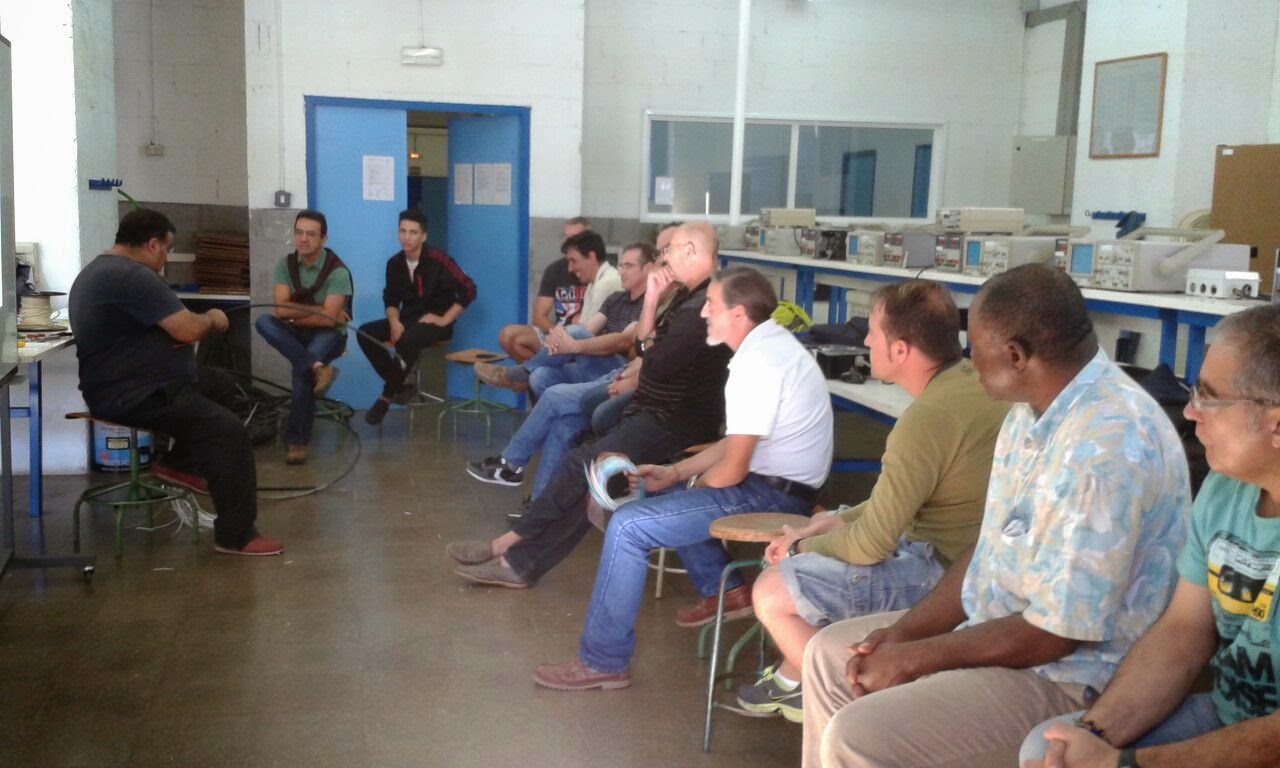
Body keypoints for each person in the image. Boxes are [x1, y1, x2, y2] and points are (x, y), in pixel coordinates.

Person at [801, 264, 1190, 768]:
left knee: (858, 736)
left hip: (1072, 677)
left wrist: (916, 657)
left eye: (976, 348)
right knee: (830, 657)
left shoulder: (1106, 446)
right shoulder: (1030, 413)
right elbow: (990, 549)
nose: (969, 359)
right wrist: (906, 633)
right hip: (1003, 631)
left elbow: (1057, 632)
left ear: (1015, 356)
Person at [530, 266, 834, 690]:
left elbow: (732, 469)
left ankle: (602, 661)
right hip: (777, 485)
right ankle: (723, 590)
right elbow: (734, 444)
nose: (703, 313)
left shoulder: (757, 363)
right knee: (666, 491)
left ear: (739, 314)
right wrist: (675, 473)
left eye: (711, 305)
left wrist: (688, 489)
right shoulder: (770, 347)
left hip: (772, 495)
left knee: (628, 526)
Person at [734, 280, 1009, 721]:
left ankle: (834, 699)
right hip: (973, 560)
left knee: (771, 590)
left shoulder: (924, 421)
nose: (864, 341)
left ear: (900, 350)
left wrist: (800, 546)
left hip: (941, 575)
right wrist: (830, 524)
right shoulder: (970, 384)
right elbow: (897, 501)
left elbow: (870, 546)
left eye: (873, 333)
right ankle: (793, 678)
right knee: (830, 526)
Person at [1019, 304, 1280, 768]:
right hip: (1229, 715)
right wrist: (1094, 735)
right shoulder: (1226, 488)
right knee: (1050, 749)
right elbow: (1184, 632)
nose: (1190, 412)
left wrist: (1124, 764)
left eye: (1209, 398)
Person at [445, 222, 732, 588]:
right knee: (589, 475)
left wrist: (645, 351)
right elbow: (642, 348)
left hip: (675, 421)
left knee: (582, 464)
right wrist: (650, 302)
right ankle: (518, 564)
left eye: (669, 250)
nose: (664, 258)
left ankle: (507, 545)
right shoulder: (684, 296)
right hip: (655, 410)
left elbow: (652, 360)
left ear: (690, 251)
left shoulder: (701, 306)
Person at [68, 208, 281, 556]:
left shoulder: (100, 270)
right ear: (153, 244)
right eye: (167, 250)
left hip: (131, 384)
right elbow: (187, 328)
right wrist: (212, 317)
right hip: (136, 394)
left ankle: (179, 464)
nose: (165, 259)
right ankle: (237, 535)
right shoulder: (131, 275)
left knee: (221, 384)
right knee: (228, 432)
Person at [465, 242, 655, 494]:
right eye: (621, 265)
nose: (621, 271)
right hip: (593, 367)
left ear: (647, 269)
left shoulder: (650, 304)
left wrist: (574, 344)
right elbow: (590, 327)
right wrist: (561, 337)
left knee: (573, 339)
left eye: (628, 266)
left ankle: (520, 376)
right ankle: (536, 501)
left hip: (618, 370)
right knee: (544, 378)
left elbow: (623, 341)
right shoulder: (615, 299)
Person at [357, 208, 476, 426]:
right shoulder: (394, 263)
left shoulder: (439, 260)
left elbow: (469, 290)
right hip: (408, 319)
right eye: (402, 231)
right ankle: (400, 385)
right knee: (365, 333)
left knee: (407, 339)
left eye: (413, 232)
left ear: (423, 236)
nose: (407, 237)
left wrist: (444, 319)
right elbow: (391, 299)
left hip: (436, 323)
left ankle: (386, 397)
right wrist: (394, 322)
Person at [253, 210, 353, 465]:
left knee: (301, 373)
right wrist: (319, 312)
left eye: (311, 234)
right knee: (264, 321)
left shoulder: (338, 272)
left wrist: (294, 316)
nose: (304, 239)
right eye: (299, 232)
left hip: (331, 335)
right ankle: (318, 367)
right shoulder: (284, 265)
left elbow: (330, 321)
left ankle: (297, 442)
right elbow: (279, 310)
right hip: (299, 333)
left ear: (324, 239)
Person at [476, 230, 623, 395]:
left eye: (573, 261)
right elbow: (583, 327)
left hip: (610, 360)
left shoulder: (607, 283)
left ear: (591, 256)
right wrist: (557, 337)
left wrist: (561, 339)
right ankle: (527, 375)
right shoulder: (593, 282)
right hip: (583, 348)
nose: (570, 268)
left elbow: (586, 334)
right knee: (539, 375)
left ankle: (518, 374)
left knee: (575, 332)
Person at [496, 217, 588, 363]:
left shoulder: (603, 274)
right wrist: (558, 334)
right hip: (558, 332)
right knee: (508, 335)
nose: (568, 243)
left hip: (586, 339)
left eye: (574, 238)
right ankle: (536, 370)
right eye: (566, 238)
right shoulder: (554, 270)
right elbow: (538, 318)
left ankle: (532, 371)